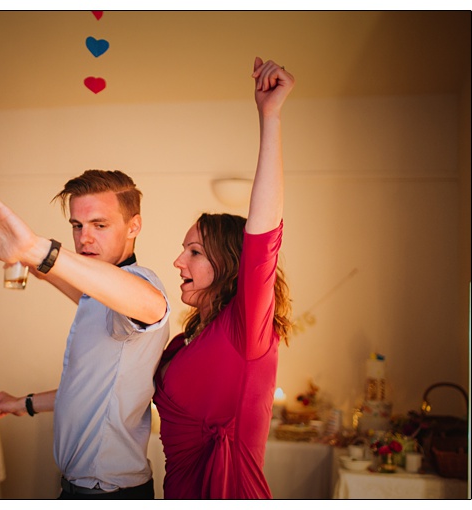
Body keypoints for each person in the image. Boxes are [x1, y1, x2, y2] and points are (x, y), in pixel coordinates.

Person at [0, 167, 172, 499]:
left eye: (100, 225)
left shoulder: (140, 283)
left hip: (109, 494)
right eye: (77, 225)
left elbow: (152, 306)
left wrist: (37, 249)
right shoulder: (99, 297)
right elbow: (90, 391)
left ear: (134, 226)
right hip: (78, 488)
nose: (84, 238)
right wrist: (22, 404)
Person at [147, 57, 295, 498]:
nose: (178, 262)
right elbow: (113, 383)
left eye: (194, 252)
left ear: (228, 264)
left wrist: (270, 118)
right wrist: (27, 405)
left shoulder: (244, 328)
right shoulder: (183, 341)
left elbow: (264, 238)